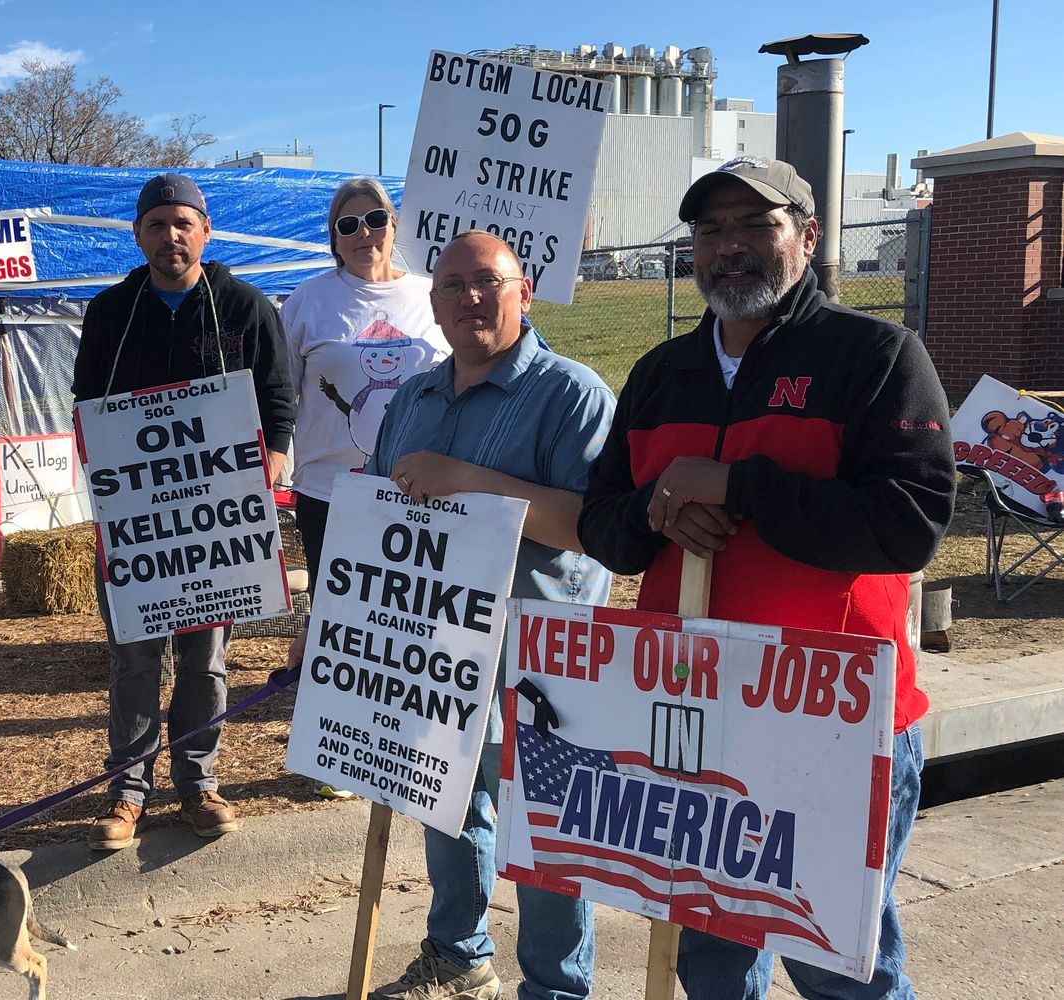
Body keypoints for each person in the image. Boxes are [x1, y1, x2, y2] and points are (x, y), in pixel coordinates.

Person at [577, 157, 955, 999]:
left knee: (834, 963)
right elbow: (603, 526)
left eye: (756, 225)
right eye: (711, 230)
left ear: (808, 238)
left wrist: (741, 486)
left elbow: (910, 524)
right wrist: (655, 510)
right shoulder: (659, 373)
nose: (729, 247)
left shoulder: (875, 356)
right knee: (710, 953)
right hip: (695, 717)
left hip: (835, 720)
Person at [369, 231, 614, 1000]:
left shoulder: (572, 394)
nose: (469, 298)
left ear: (525, 291)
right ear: (432, 302)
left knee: (544, 832)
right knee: (442, 804)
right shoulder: (412, 396)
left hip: (543, 654)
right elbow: (382, 512)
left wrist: (464, 481)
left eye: (487, 281)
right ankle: (457, 954)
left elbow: (593, 526)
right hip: (435, 648)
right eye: (452, 285)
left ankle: (555, 987)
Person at [72, 173, 295, 850]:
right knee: (136, 659)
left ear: (206, 229)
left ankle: (199, 783)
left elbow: (279, 399)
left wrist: (272, 463)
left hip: (218, 520)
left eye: (183, 223)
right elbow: (87, 406)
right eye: (156, 225)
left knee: (204, 662)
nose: (170, 236)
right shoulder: (112, 311)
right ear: (139, 235)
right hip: (141, 523)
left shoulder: (246, 307)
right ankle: (128, 793)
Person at [282, 176, 450, 580]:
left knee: (409, 609)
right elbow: (281, 393)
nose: (363, 232)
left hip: (422, 489)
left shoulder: (433, 295)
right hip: (329, 491)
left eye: (375, 219)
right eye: (347, 225)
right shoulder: (307, 300)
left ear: (394, 226)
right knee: (337, 610)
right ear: (334, 240)